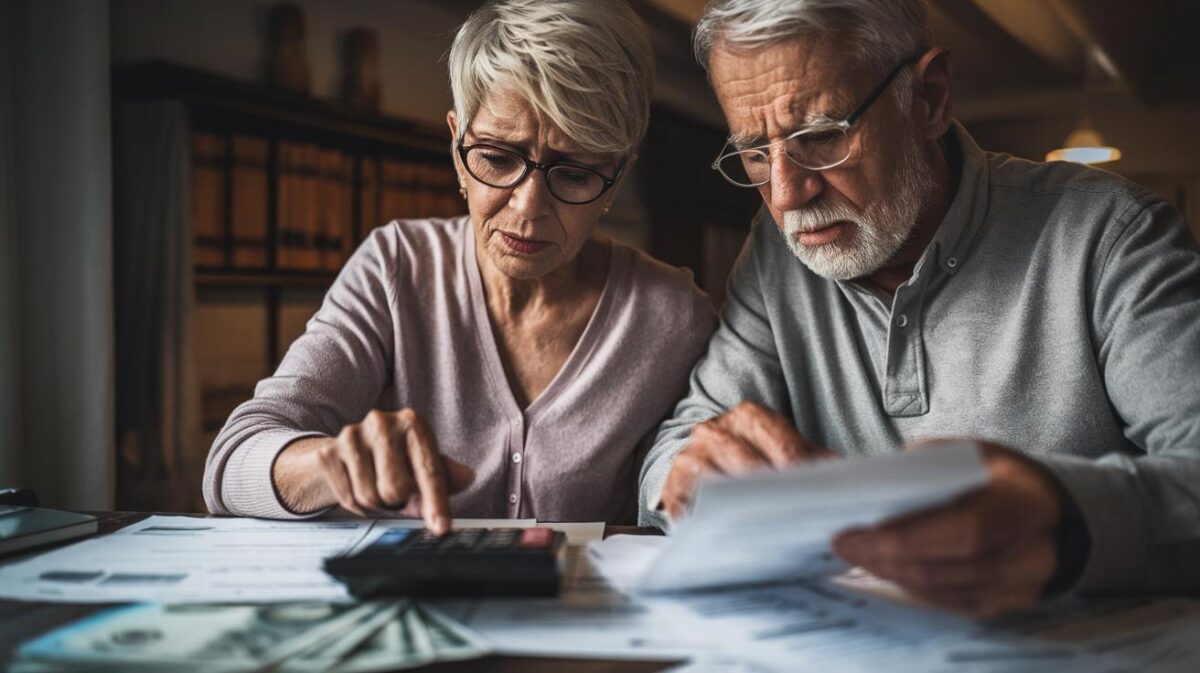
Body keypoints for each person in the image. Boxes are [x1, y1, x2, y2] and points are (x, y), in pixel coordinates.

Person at [641, 0, 1200, 618]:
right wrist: (692, 479)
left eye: (821, 136)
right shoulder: (777, 254)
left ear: (929, 97)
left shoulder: (1113, 236)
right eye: (753, 153)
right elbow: (677, 450)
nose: (786, 193)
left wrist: (1066, 520)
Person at [203, 0, 716, 533]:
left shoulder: (672, 317)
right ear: (457, 146)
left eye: (575, 173)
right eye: (496, 158)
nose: (527, 209)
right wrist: (329, 467)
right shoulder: (397, 268)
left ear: (618, 172)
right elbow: (230, 463)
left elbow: (690, 490)